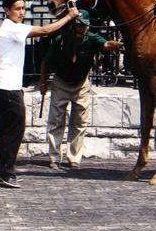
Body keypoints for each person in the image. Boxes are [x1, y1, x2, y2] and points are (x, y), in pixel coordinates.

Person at [0, 0, 78, 188]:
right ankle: (4, 172)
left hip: (10, 87)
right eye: (17, 9)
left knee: (9, 130)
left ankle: (3, 171)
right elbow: (46, 30)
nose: (21, 12)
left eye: (23, 8)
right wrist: (69, 16)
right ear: (7, 11)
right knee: (13, 131)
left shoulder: (12, 27)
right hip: (8, 87)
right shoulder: (11, 28)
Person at [40, 9, 121, 170]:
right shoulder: (60, 39)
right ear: (72, 25)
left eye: (84, 26)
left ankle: (74, 157)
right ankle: (54, 157)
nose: (81, 29)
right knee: (56, 121)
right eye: (78, 26)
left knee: (79, 122)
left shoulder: (91, 38)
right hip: (61, 81)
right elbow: (45, 62)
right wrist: (43, 83)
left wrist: (116, 44)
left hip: (81, 84)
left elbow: (105, 45)